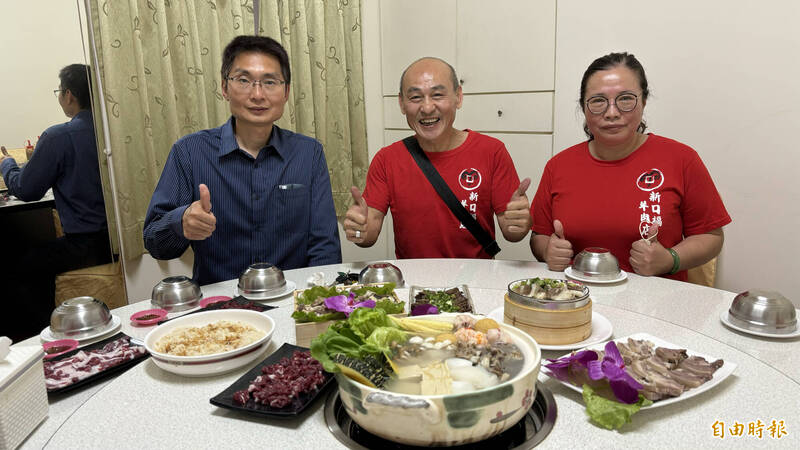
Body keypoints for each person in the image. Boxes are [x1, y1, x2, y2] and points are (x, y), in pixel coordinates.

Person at [143, 35, 341, 286]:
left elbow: (324, 246)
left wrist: (315, 303)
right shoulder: (190, 152)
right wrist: (182, 222)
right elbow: (155, 244)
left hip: (293, 302)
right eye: (244, 80)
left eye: (270, 82)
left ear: (286, 92)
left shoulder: (308, 153)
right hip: (219, 309)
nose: (257, 94)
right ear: (225, 88)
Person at [530, 52, 731, 281]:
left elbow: (711, 236)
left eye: (626, 99)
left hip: (656, 304)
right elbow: (539, 235)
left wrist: (671, 259)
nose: (612, 113)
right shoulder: (559, 166)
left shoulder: (681, 159)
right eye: (598, 101)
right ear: (583, 108)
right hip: (576, 301)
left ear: (643, 101)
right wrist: (547, 250)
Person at [343, 57, 531, 258]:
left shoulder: (491, 151)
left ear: (458, 97)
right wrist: (358, 229)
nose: (427, 108)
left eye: (438, 95)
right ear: (401, 103)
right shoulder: (387, 160)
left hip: (475, 283)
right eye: (415, 97)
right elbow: (369, 233)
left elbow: (513, 233)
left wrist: (520, 223)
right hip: (415, 284)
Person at [0, 64, 111, 341]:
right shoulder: (112, 130)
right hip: (116, 241)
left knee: (17, 268)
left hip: (84, 246)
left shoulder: (58, 136)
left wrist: (7, 164)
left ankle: (41, 338)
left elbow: (26, 190)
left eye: (59, 92)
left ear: (69, 95)